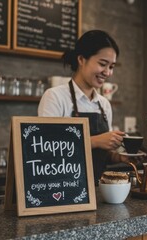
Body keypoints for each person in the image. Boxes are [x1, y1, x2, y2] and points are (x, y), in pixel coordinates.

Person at [38, 30, 132, 185]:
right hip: (63, 188)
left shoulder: (104, 104)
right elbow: (46, 150)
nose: (107, 72)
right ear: (81, 59)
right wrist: (95, 141)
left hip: (98, 189)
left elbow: (101, 155)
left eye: (112, 66)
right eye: (102, 64)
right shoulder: (55, 97)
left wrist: (118, 157)